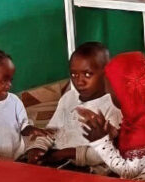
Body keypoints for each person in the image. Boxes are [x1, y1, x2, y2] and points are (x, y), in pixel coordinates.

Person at [77, 52, 145, 182]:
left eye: (111, 90)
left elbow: (128, 171)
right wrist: (114, 135)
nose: (107, 93)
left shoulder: (142, 131)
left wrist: (101, 143)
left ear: (125, 96)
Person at [22, 42, 120, 172]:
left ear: (106, 73)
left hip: (88, 167)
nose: (79, 81)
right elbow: (52, 131)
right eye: (74, 75)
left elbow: (105, 153)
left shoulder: (112, 105)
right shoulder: (68, 98)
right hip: (57, 157)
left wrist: (65, 154)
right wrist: (38, 148)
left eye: (87, 74)